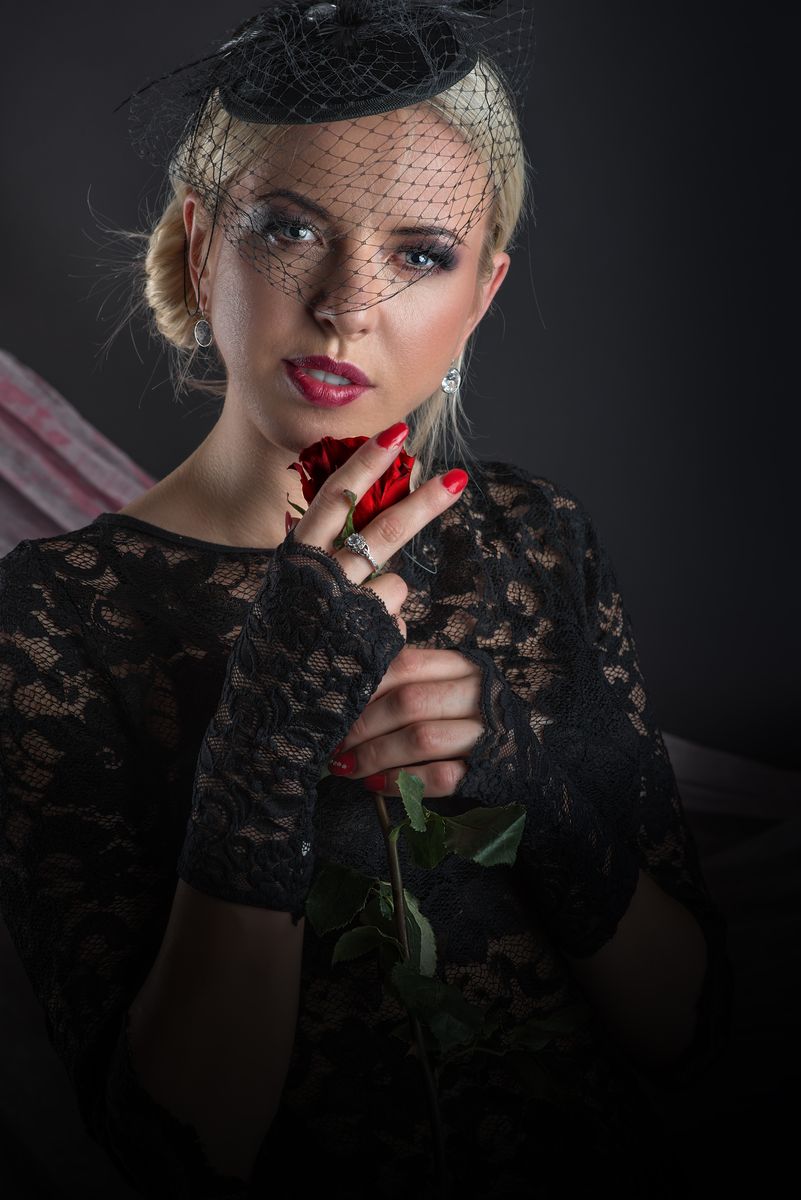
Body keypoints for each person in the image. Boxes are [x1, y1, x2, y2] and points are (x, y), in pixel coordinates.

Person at [0, 3, 733, 1197]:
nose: (348, 303)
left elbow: (688, 1034)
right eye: (291, 228)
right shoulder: (51, 617)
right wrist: (266, 740)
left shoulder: (536, 540)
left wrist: (537, 790)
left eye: (422, 254)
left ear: (482, 295)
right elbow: (181, 1152)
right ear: (202, 245)